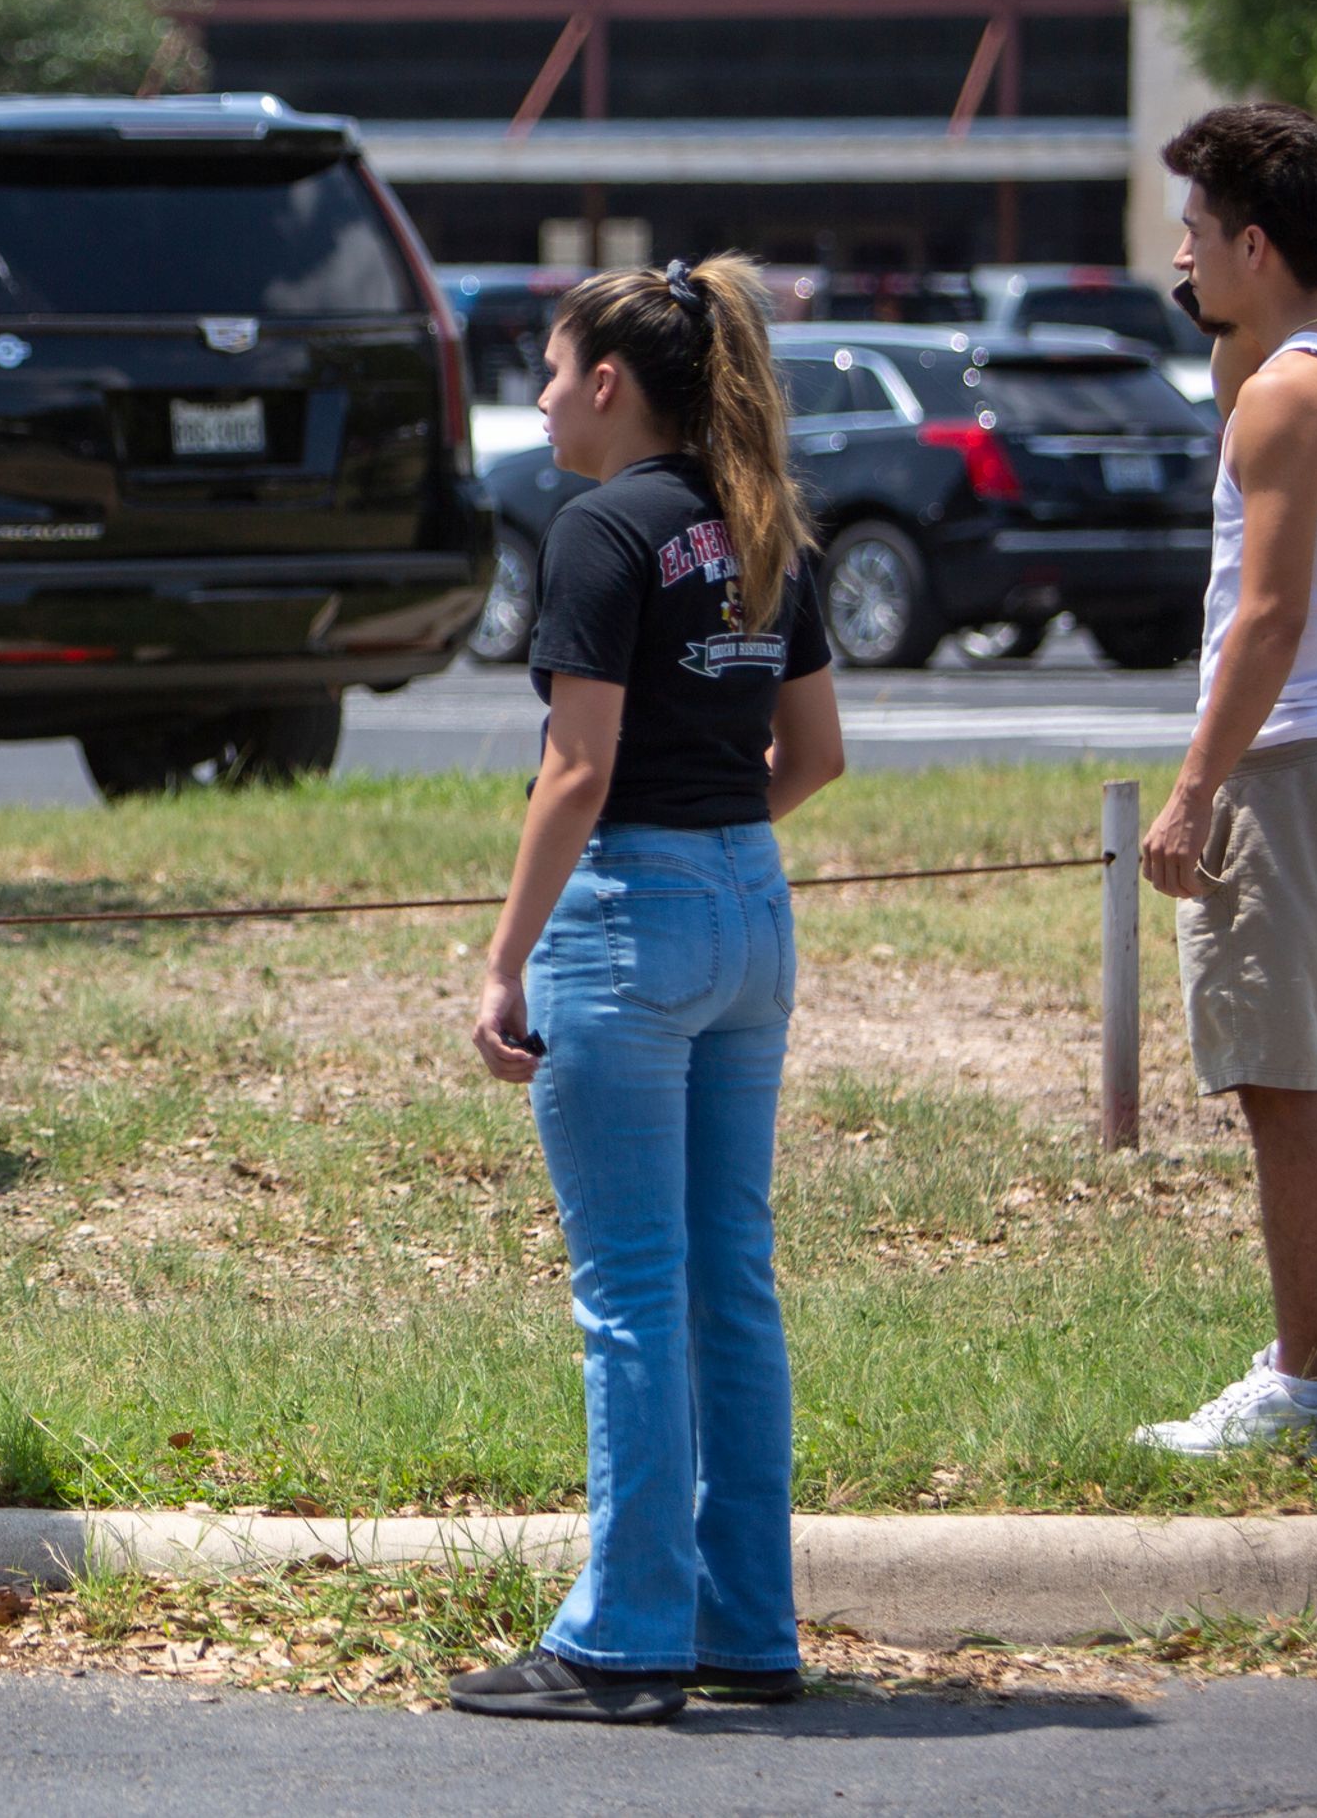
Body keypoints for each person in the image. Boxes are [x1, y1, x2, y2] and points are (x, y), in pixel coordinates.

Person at [447, 255, 841, 1727]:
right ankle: (748, 1622)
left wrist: (503, 961)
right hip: (750, 905)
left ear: (609, 384)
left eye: (550, 372)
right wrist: (717, 850)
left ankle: (623, 1636)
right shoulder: (761, 524)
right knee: (729, 1278)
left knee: (628, 1293)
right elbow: (814, 754)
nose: (541, 400)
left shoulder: (601, 527)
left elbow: (578, 767)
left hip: (631, 914)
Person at [1134, 105, 1317, 1462]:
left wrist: (1194, 789)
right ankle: (1303, 1365)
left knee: (1280, 1090)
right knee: (1286, 1084)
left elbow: (1269, 619)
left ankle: (1307, 1392)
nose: (1179, 259)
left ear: (1253, 241)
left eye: (1194, 233)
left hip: (1286, 763)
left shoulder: (1284, 399)